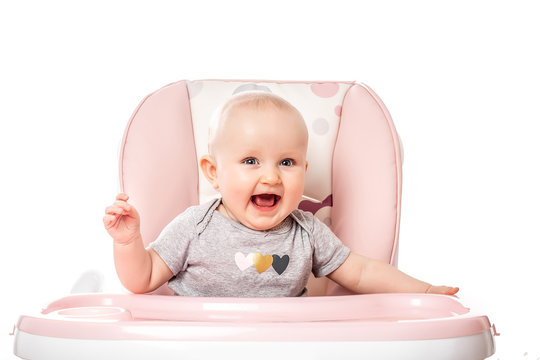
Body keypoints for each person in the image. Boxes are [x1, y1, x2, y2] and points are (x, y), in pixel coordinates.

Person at [103, 91, 459, 297]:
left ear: (304, 172)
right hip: (203, 345)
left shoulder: (306, 231)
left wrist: (424, 293)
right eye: (251, 160)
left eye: (287, 162)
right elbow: (142, 278)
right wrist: (127, 242)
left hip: (285, 345)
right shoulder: (195, 226)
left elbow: (363, 272)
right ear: (213, 172)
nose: (271, 176)